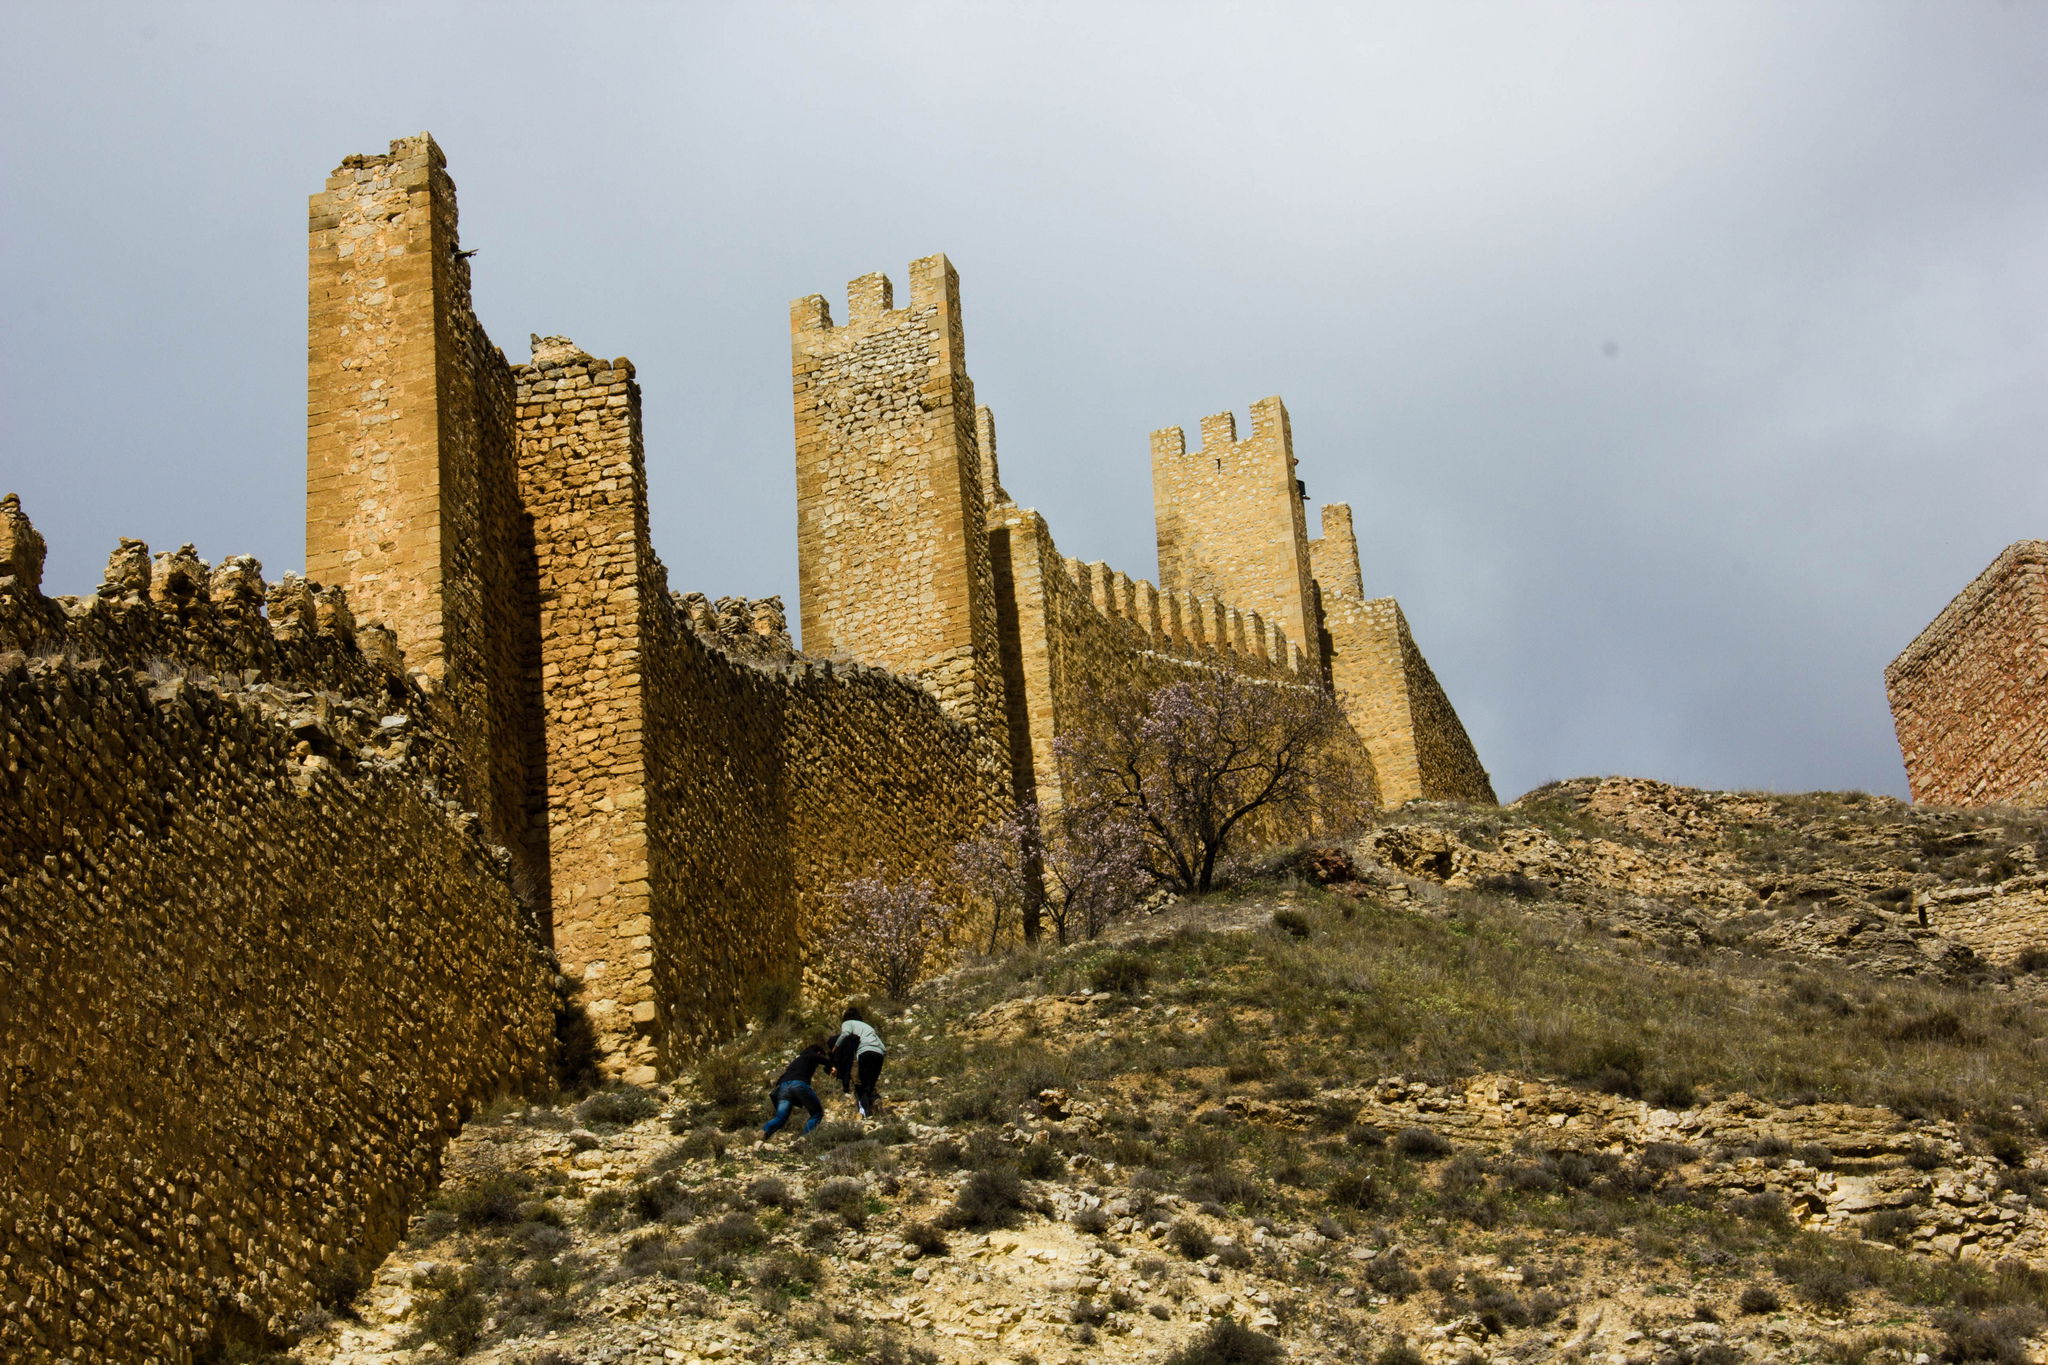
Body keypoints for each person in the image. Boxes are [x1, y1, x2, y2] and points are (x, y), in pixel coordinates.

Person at [761, 1040, 831, 1139]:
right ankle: (805, 1139)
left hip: (783, 1086)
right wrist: (831, 1064)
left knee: (781, 1117)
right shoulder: (810, 1055)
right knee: (817, 1113)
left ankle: (764, 1131)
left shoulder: (797, 1060)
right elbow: (820, 1058)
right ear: (818, 1052)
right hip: (798, 1084)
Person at [831, 1006, 888, 1118]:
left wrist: (835, 1048)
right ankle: (874, 1110)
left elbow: (845, 1034)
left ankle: (864, 1113)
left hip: (864, 1052)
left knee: (860, 1084)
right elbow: (883, 1047)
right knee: (871, 1084)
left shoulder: (848, 1023)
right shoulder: (868, 1026)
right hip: (878, 1053)